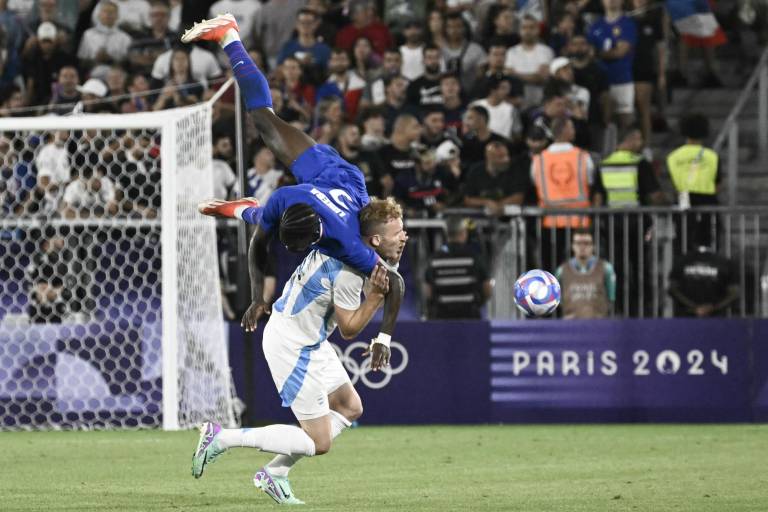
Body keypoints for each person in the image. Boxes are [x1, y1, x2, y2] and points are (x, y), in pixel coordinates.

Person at [182, 12, 404, 379]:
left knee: (265, 135)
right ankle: (228, 35)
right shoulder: (304, 210)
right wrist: (257, 297)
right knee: (264, 121)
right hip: (324, 178)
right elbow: (259, 245)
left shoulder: (340, 234)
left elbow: (395, 281)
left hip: (338, 180)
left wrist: (384, 336)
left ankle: (245, 210)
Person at [191, 197, 405, 505]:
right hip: (291, 345)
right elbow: (348, 329)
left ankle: (274, 475)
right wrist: (373, 300)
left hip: (309, 340)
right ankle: (221, 438)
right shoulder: (347, 271)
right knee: (319, 442)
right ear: (374, 240)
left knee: (349, 407)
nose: (404, 236)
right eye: (398, 232)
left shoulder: (343, 240)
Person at [531, 116, 602, 270]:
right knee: (579, 271)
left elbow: (535, 184)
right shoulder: (583, 157)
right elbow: (592, 185)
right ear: (566, 130)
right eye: (572, 128)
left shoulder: (539, 160)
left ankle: (554, 295)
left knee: (551, 268)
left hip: (550, 223)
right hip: (579, 223)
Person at [666, 112, 721, 249]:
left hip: (682, 200)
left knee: (683, 242)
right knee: (708, 243)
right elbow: (718, 183)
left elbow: (671, 182)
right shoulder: (712, 156)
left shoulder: (673, 156)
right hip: (708, 202)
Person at [424, 217, 492, 319]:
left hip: (442, 317)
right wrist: (478, 303)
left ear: (446, 233)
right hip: (470, 316)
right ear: (463, 233)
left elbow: (428, 292)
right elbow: (487, 288)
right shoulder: (474, 257)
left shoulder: (434, 259)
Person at [587, 0, 637, 129]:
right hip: (601, 81)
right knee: (604, 119)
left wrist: (598, 53)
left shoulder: (627, 24)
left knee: (626, 119)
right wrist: (607, 52)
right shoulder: (595, 26)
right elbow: (589, 53)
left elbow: (620, 52)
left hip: (622, 78)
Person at [555, 229, 616, 318]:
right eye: (578, 243)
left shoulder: (606, 268)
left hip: (598, 325)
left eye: (586, 243)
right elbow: (555, 298)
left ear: (593, 246)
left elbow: (611, 298)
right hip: (570, 326)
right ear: (573, 246)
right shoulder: (562, 270)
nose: (582, 247)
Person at [668, 240, 739, 317]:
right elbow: (734, 293)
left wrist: (694, 307)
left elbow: (673, 289)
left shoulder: (682, 261)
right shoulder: (725, 262)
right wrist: (714, 307)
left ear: (694, 243)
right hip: (717, 317)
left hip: (687, 316)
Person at [464, 140, 527, 216]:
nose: (506, 160)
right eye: (501, 157)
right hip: (481, 220)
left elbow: (518, 197)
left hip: (508, 219)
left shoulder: (514, 170)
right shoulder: (475, 171)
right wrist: (487, 203)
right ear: (489, 157)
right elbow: (468, 200)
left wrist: (498, 205)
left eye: (507, 155)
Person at [504, 15, 554, 108]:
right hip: (517, 101)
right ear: (519, 31)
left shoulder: (546, 51)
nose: (528, 31)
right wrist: (531, 76)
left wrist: (516, 74)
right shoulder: (511, 52)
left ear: (538, 30)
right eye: (524, 28)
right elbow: (508, 76)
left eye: (531, 27)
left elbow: (541, 78)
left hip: (540, 100)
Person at [405, 44, 443, 110]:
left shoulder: (449, 82)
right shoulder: (414, 86)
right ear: (423, 60)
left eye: (436, 57)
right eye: (429, 57)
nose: (433, 61)